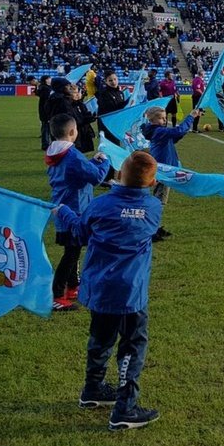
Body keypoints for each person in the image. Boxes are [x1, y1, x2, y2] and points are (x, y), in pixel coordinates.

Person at [52, 151, 164, 431]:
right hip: (129, 293)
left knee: (100, 338)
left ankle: (93, 389)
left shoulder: (100, 206)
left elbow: (79, 233)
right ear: (151, 184)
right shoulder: (153, 207)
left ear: (118, 175)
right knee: (132, 346)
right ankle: (124, 408)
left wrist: (64, 212)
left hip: (101, 288)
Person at [45, 113, 110, 311]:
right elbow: (97, 177)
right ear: (73, 132)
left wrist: (92, 160)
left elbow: (79, 172)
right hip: (74, 212)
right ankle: (57, 295)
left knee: (73, 250)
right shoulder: (72, 155)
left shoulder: (55, 153)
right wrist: (104, 160)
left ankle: (73, 286)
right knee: (71, 254)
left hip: (63, 208)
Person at [140, 104, 201, 213]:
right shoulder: (159, 131)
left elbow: (174, 138)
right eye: (161, 118)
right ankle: (154, 217)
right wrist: (190, 117)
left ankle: (152, 212)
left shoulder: (158, 131)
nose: (164, 120)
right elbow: (178, 131)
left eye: (164, 118)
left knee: (160, 191)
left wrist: (183, 131)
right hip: (164, 167)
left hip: (164, 165)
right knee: (160, 196)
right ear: (152, 119)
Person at [95, 71, 127, 145]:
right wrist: (126, 103)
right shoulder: (103, 93)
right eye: (110, 80)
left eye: (115, 79)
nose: (113, 82)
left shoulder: (120, 93)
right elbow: (110, 109)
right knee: (109, 147)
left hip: (116, 123)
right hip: (107, 125)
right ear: (106, 82)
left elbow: (120, 106)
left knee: (117, 144)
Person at [37, 74, 53, 149]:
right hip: (46, 111)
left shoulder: (43, 88)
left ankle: (46, 143)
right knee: (46, 128)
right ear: (46, 80)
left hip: (43, 111)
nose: (51, 79)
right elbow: (47, 100)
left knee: (45, 127)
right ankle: (45, 144)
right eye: (49, 78)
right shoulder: (46, 89)